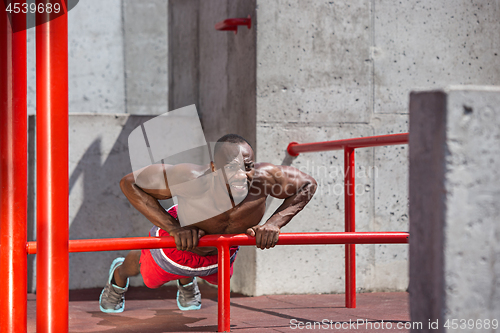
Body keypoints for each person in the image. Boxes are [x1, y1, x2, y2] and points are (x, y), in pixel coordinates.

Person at [99, 134, 317, 313]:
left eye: (247, 167)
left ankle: (186, 280)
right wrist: (174, 228)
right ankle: (117, 278)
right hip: (178, 243)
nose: (241, 175)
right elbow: (129, 183)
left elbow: (308, 184)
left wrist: (274, 223)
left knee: (216, 281)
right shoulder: (191, 178)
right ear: (214, 167)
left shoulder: (265, 178)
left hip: (221, 253)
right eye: (231, 168)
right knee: (148, 277)